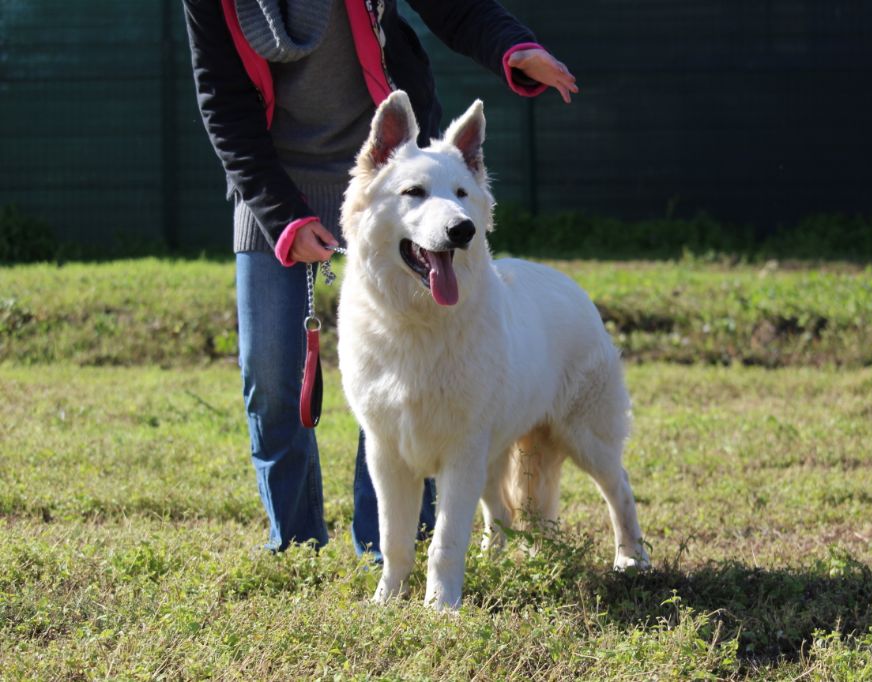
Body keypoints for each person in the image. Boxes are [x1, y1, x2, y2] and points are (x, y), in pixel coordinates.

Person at [182, 0, 577, 554]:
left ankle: (389, 552)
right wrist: (283, 219)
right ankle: (296, 548)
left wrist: (515, 47)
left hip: (398, 186)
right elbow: (222, 103)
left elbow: (457, 11)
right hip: (272, 188)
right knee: (271, 379)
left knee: (411, 377)